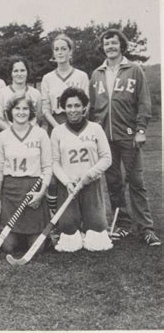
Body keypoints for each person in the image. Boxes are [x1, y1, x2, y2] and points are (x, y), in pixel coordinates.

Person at [89, 28, 161, 247]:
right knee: (113, 183)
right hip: (105, 138)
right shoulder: (97, 73)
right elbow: (93, 107)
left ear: (121, 45)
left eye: (114, 43)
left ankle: (146, 228)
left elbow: (144, 102)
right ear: (103, 47)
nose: (110, 46)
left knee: (136, 181)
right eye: (106, 43)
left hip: (129, 135)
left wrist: (140, 130)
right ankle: (122, 224)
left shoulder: (134, 69)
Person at [51, 87, 113, 252]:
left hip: (91, 185)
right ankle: (72, 230)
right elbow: (55, 163)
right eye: (69, 106)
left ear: (84, 107)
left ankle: (92, 228)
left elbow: (107, 158)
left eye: (77, 105)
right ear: (64, 107)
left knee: (98, 244)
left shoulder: (95, 128)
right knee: (71, 244)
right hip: (69, 187)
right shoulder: (57, 131)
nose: (73, 110)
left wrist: (89, 175)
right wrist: (67, 182)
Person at [0, 94, 52, 253]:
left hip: (33, 190)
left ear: (31, 112)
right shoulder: (2, 137)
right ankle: (15, 234)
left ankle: (37, 234)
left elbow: (47, 167)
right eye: (17, 108)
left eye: (25, 108)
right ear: (10, 112)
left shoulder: (40, 134)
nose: (21, 112)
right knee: (8, 247)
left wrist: (41, 193)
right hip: (11, 190)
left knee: (38, 249)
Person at [41, 34, 89, 212]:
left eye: (64, 48)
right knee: (54, 173)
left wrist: (76, 126)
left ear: (70, 52)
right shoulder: (47, 78)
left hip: (77, 125)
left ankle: (81, 213)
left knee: (76, 170)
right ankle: (55, 216)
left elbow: (86, 104)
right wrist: (59, 127)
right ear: (53, 53)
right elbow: (45, 109)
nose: (60, 52)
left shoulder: (81, 75)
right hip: (56, 124)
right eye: (57, 49)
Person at [0, 55, 42, 131]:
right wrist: (13, 133)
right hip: (9, 135)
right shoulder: (1, 93)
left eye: (22, 70)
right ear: (11, 73)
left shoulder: (36, 93)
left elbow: (38, 118)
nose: (19, 74)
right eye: (16, 71)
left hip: (31, 136)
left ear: (27, 72)